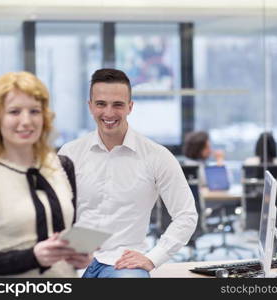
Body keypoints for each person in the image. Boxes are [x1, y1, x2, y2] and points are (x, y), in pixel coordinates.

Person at [58, 68, 197, 278]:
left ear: (130, 107)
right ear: (90, 106)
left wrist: (153, 257)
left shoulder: (157, 156)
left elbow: (186, 215)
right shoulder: (70, 153)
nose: (109, 113)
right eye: (101, 104)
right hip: (75, 257)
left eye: (118, 105)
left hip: (122, 263)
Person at [0, 71, 91, 277]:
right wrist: (32, 257)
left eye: (34, 111)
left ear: (44, 116)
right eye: (14, 111)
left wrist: (81, 255)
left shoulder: (63, 166)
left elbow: (69, 234)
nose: (26, 121)